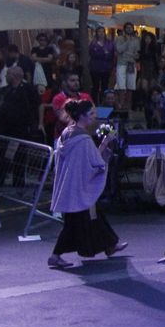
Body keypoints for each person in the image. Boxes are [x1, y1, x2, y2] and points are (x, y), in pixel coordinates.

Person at [47, 100, 126, 268]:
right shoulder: (83, 139)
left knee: (93, 215)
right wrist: (104, 144)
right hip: (79, 188)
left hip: (69, 186)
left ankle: (110, 245)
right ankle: (55, 255)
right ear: (81, 116)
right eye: (90, 114)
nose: (93, 117)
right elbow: (94, 163)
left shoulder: (67, 132)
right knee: (75, 223)